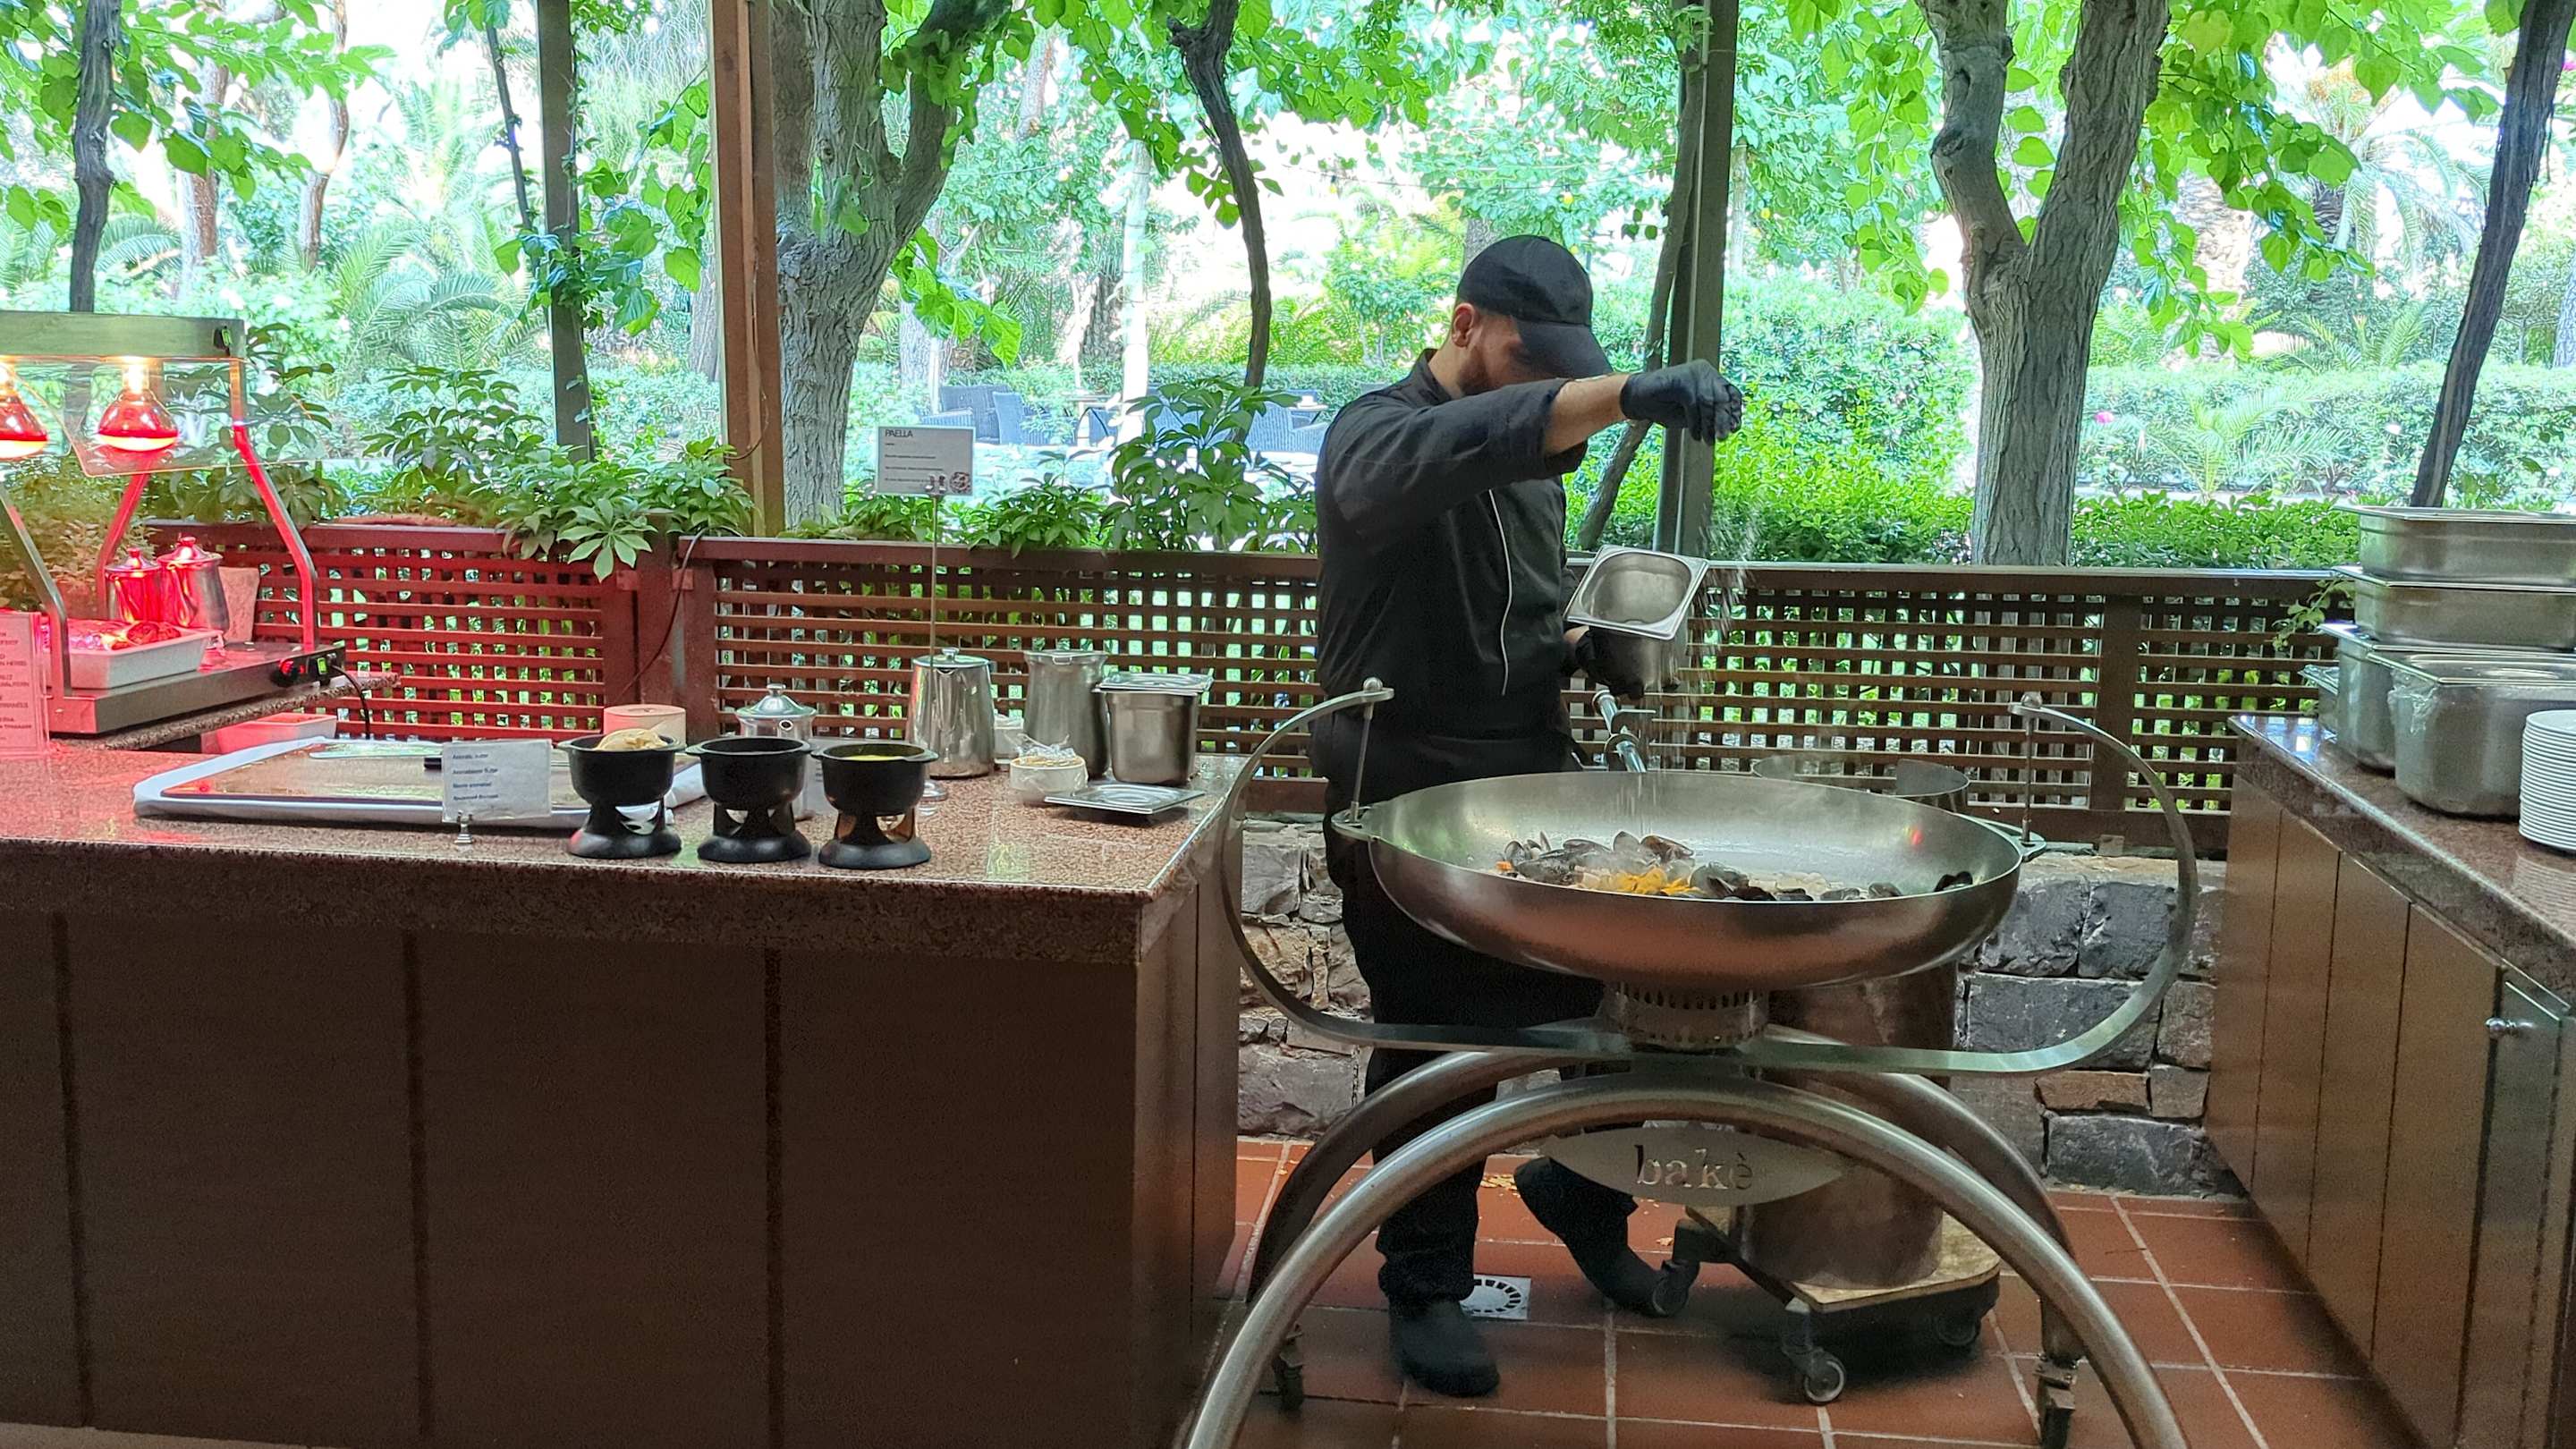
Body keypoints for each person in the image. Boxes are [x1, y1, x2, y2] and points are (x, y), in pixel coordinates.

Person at [1309, 233, 1746, 1397]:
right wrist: (1625, 394)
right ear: (1463, 326)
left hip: (1528, 792)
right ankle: (1426, 1286)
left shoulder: (1535, 466)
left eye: (1563, 368)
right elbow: (1465, 445)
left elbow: (1509, 621)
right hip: (1402, 800)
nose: (1545, 387)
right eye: (1527, 361)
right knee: (1437, 1040)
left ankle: (1580, 1189)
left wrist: (1586, 646)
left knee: (1626, 995)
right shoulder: (1374, 436)